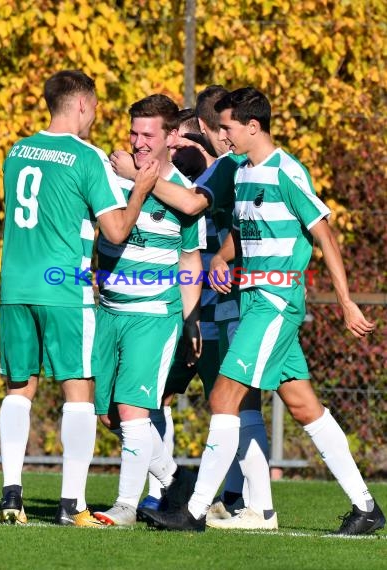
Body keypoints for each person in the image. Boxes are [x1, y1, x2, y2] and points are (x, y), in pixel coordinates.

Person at [141, 87, 386, 535]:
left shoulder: (287, 171)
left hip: (274, 303)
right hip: (255, 299)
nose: (224, 136)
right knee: (302, 404)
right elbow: (244, 225)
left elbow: (324, 235)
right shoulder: (244, 171)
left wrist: (346, 300)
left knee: (223, 396)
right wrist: (221, 257)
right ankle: (366, 507)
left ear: (253, 127)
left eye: (229, 128)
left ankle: (193, 511)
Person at [0, 70, 159, 527]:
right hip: (65, 288)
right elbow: (116, 230)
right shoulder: (86, 158)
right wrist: (141, 190)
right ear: (82, 105)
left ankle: (12, 497)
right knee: (80, 393)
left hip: (14, 287)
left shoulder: (16, 151)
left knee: (19, 389)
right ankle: (73, 506)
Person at [114, 87, 276, 529]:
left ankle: (241, 500)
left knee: (236, 402)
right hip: (191, 306)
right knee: (147, 402)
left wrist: (139, 175)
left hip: (217, 307)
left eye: (224, 129)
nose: (223, 137)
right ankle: (170, 488)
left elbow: (195, 204)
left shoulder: (223, 167)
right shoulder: (216, 164)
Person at [91, 94, 206, 526]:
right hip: (107, 311)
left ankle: (125, 506)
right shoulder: (108, 173)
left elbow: (190, 260)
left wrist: (190, 318)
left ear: (172, 136)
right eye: (134, 132)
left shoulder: (184, 192)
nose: (139, 142)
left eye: (148, 134)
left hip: (154, 315)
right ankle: (177, 479)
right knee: (106, 413)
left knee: (134, 410)